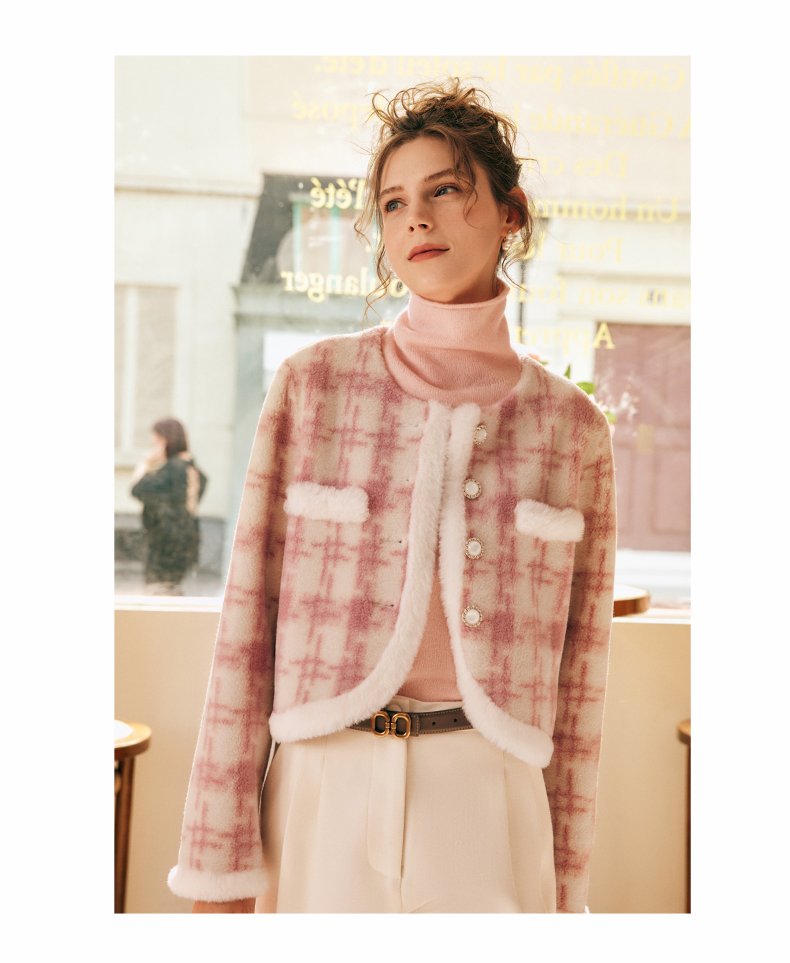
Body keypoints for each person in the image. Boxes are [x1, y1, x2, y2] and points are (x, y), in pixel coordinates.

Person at [168, 79, 616, 913]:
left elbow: (584, 672)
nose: (416, 220)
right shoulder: (313, 388)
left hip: (491, 794)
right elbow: (245, 628)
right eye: (394, 202)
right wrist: (218, 863)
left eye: (445, 190)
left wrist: (568, 883)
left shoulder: (572, 429)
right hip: (320, 784)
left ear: (511, 212)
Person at [130, 417, 207, 595]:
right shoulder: (192, 469)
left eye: (154, 439)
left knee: (159, 593)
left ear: (164, 440)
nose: (152, 444)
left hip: (165, 545)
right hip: (185, 541)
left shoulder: (172, 470)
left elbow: (137, 489)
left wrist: (145, 463)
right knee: (171, 590)